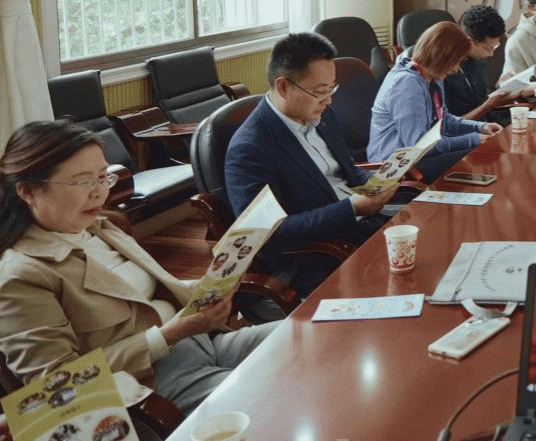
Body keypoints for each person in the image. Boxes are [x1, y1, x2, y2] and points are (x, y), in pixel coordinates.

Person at [0, 121, 278, 414]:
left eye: (103, 177)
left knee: (305, 336)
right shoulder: (20, 277)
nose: (99, 193)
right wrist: (169, 334)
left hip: (201, 343)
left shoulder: (99, 227)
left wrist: (214, 283)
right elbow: (57, 387)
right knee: (279, 393)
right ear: (28, 191)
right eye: (83, 182)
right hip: (150, 386)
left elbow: (145, 295)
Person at [225, 32, 399, 296]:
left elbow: (348, 170)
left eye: (332, 89)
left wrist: (377, 182)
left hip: (360, 226)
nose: (328, 100)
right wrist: (350, 209)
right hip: (317, 255)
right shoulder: (250, 148)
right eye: (320, 92)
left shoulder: (321, 113)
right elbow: (266, 234)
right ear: (284, 87)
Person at [369, 21, 503, 181]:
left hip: (417, 158)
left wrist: (480, 127)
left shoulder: (433, 77)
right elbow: (420, 145)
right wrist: (472, 139)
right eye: (455, 62)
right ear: (440, 57)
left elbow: (443, 121)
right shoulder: (407, 85)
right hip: (395, 168)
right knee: (474, 158)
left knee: (480, 155)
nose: (456, 69)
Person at [445, 4, 536, 125]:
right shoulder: (445, 71)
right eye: (489, 48)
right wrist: (489, 105)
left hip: (488, 124)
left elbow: (482, 100)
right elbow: (448, 126)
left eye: (495, 46)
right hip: (468, 131)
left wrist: (501, 86)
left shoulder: (476, 61)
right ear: (470, 41)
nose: (492, 54)